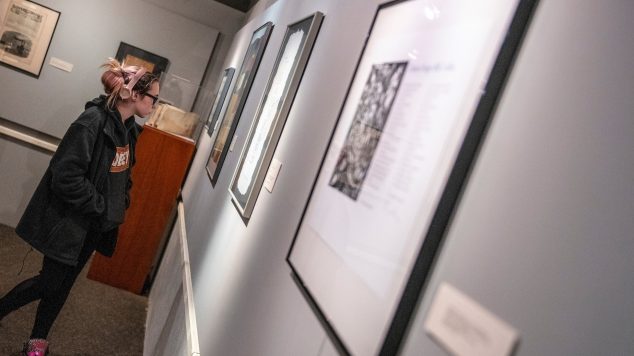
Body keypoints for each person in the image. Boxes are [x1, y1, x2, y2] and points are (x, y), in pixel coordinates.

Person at [0, 58, 159, 356]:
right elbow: (66, 176)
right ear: (134, 94)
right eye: (154, 98)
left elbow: (122, 176)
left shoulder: (128, 131)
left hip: (93, 226)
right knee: (49, 284)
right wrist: (101, 206)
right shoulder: (92, 122)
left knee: (62, 287)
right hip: (70, 222)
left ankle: (36, 344)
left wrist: (120, 200)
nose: (155, 105)